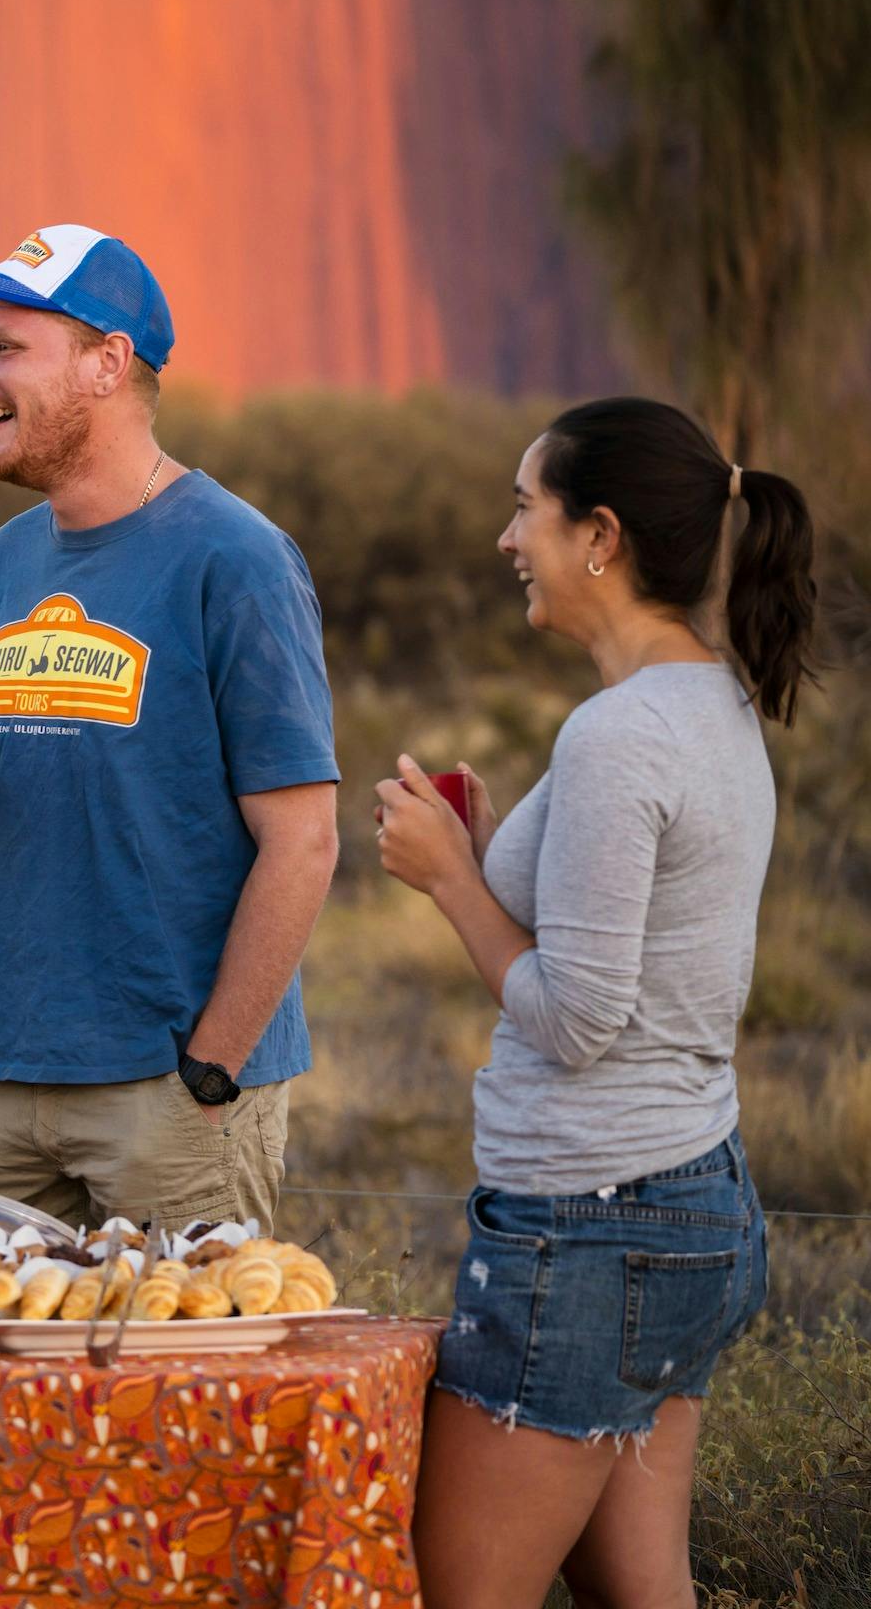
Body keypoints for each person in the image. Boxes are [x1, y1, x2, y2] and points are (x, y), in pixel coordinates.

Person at [377, 398, 813, 1608]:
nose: (509, 537)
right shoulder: (715, 701)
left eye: (527, 508)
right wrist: (485, 856)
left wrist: (452, 877)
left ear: (600, 537)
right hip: (688, 1205)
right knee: (643, 1587)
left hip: (591, 1229)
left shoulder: (621, 735)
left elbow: (578, 1016)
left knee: (453, 1593)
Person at [0, 225, 340, 1232]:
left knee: (174, 1381)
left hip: (167, 1088)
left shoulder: (236, 557)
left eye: (2, 348)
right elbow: (10, 817)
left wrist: (212, 1066)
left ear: (106, 363)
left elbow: (304, 839)